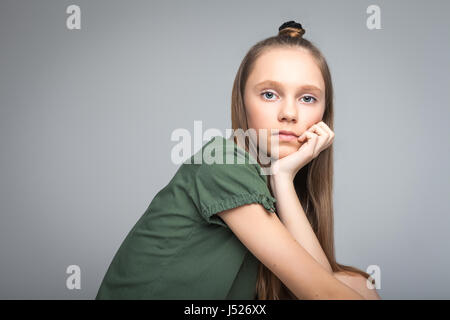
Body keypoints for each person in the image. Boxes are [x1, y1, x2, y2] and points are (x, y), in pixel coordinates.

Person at [95, 20, 381, 300]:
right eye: (269, 94)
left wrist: (282, 177)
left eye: (307, 98)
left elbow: (322, 281)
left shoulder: (264, 177)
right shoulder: (221, 162)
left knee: (357, 285)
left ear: (324, 111)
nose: (289, 113)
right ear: (242, 100)